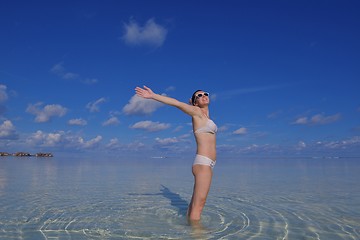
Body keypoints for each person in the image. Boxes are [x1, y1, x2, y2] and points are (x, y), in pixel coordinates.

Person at [135, 85, 217, 222]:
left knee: (194, 204)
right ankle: (197, 234)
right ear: (195, 102)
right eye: (199, 95)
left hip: (209, 164)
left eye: (205, 93)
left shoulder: (205, 116)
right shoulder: (196, 112)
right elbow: (177, 103)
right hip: (203, 163)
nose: (204, 96)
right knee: (199, 205)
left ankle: (189, 229)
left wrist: (193, 102)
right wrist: (153, 96)